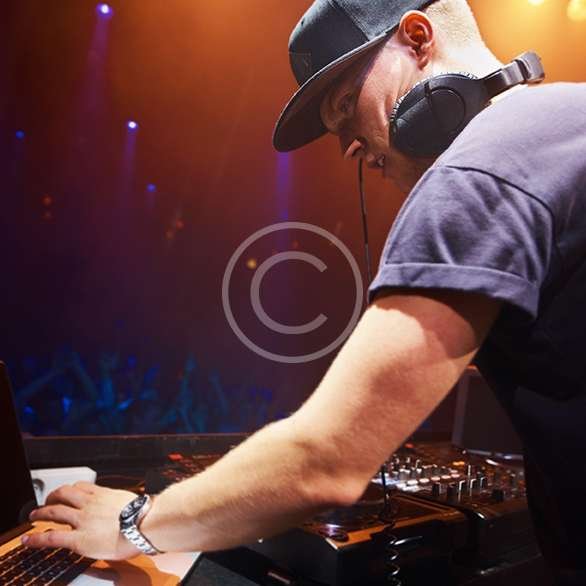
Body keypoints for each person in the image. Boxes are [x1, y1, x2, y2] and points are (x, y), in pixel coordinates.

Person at [26, 1, 586, 584]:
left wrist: (133, 525)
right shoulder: (571, 112)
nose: (348, 147)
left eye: (345, 107)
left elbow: (327, 461)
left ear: (418, 39)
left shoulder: (472, 179)